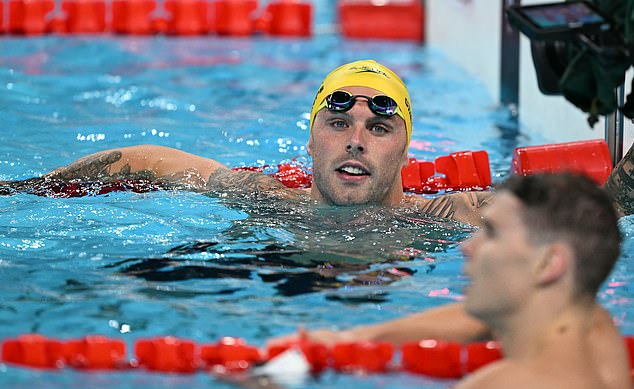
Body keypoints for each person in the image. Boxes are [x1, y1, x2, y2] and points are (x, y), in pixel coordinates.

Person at [256, 173, 632, 389]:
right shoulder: (596, 330)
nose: (468, 247)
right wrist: (354, 339)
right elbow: (477, 319)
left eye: (493, 234)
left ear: (549, 263)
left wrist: (271, 388)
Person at [0, 60, 494, 226]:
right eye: (338, 123)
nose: (356, 141)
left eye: (379, 129)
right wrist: (22, 188)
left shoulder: (443, 215)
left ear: (407, 153)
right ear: (311, 141)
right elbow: (143, 161)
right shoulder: (266, 197)